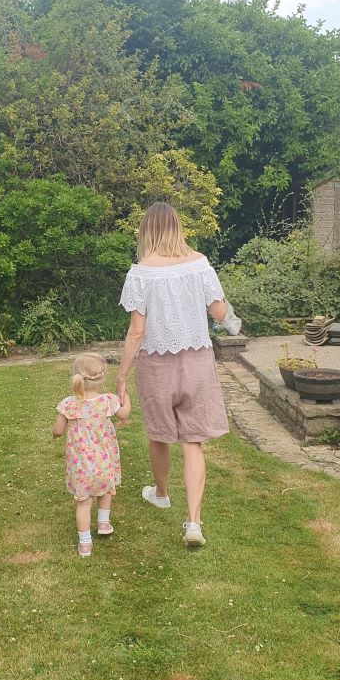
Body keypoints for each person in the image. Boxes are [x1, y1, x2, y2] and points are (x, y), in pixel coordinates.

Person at [116, 202, 230, 548]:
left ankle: (162, 493)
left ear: (147, 231)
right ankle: (193, 522)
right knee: (193, 441)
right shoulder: (201, 264)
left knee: (159, 433)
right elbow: (220, 313)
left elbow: (136, 331)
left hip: (156, 365)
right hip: (197, 362)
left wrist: (121, 376)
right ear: (178, 228)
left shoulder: (140, 273)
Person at [52, 352, 132, 558]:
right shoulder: (107, 401)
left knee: (83, 502)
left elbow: (58, 430)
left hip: (81, 465)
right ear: (102, 377)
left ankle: (85, 543)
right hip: (104, 462)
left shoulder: (68, 404)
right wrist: (126, 396)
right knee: (106, 489)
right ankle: (103, 522)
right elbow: (124, 414)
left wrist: (54, 434)